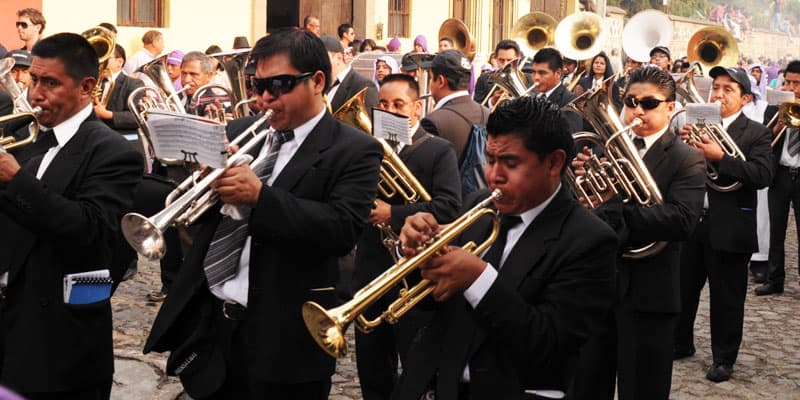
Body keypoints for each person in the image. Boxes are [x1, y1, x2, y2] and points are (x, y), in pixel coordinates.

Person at [143, 29, 383, 400]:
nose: (265, 98)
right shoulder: (240, 130)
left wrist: (261, 198)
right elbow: (209, 224)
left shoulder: (354, 149)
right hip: (216, 327)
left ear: (318, 81)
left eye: (280, 85)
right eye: (258, 86)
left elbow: (341, 230)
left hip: (285, 337)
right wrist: (205, 183)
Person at [392, 96, 618, 400]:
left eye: (510, 163)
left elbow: (547, 345)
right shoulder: (477, 205)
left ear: (554, 162)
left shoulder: (589, 240)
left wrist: (478, 279)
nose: (493, 175)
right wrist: (416, 255)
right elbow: (433, 301)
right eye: (491, 159)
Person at [0, 32, 142, 399]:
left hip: (62, 333)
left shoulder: (110, 150)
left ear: (86, 87)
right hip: (11, 317)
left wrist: (15, 180)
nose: (35, 94)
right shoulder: (23, 134)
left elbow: (91, 230)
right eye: (33, 80)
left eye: (50, 83)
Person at [570, 66, 706, 400]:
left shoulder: (687, 159)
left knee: (643, 391)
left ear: (671, 108)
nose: (638, 110)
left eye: (649, 103)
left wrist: (615, 207)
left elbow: (682, 220)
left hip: (651, 294)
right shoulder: (607, 151)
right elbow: (585, 214)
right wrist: (581, 188)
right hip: (601, 288)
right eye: (630, 102)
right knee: (586, 386)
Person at [354, 73, 461, 400]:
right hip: (371, 272)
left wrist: (395, 214)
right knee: (371, 369)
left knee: (417, 371)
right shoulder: (367, 149)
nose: (389, 111)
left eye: (398, 104)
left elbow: (449, 208)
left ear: (416, 108)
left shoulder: (438, 150)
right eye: (383, 105)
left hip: (416, 279)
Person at [673, 66, 773, 382]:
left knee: (727, 297)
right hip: (693, 221)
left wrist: (721, 157)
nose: (718, 94)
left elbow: (762, 176)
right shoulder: (697, 123)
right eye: (715, 87)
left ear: (744, 98)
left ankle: (723, 358)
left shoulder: (757, 132)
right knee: (683, 288)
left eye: (728, 89)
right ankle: (680, 343)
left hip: (730, 225)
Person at [756, 59, 800, 296]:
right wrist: (776, 127)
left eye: (797, 83)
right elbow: (764, 138)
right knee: (777, 229)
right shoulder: (774, 107)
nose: (792, 88)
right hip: (781, 173)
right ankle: (774, 279)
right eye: (788, 82)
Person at [421, 49, 489, 163]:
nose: (430, 85)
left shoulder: (433, 122)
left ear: (441, 81)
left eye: (432, 78)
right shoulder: (487, 113)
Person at [93, 44, 146, 147]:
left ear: (120, 62)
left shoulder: (134, 84)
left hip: (123, 141)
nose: (99, 62)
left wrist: (108, 114)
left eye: (105, 58)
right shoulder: (96, 83)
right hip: (97, 139)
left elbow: (138, 117)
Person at [321, 35, 378, 113]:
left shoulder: (364, 86)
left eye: (321, 57)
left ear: (339, 57)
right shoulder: (319, 83)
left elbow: (367, 123)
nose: (317, 62)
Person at [530, 48, 582, 134]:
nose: (536, 77)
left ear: (558, 73)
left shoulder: (571, 101)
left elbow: (570, 136)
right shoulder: (533, 98)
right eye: (534, 72)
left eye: (542, 73)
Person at [473, 40, 521, 105]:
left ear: (518, 58)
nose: (505, 64)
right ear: (496, 58)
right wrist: (491, 102)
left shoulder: (528, 78)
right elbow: (477, 107)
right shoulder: (484, 79)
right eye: (501, 60)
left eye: (509, 60)